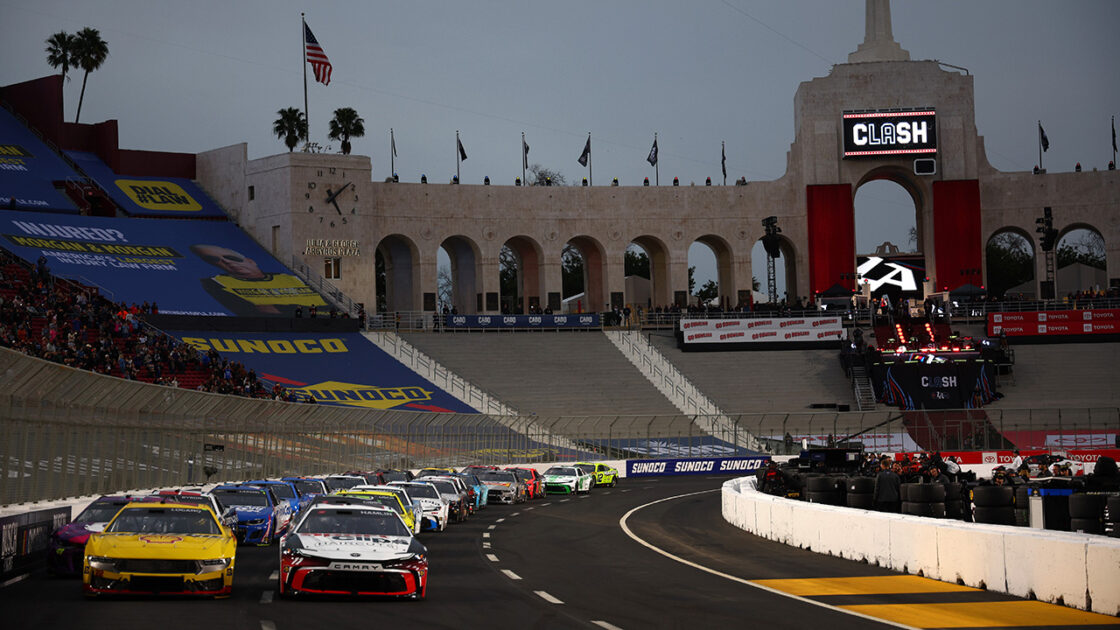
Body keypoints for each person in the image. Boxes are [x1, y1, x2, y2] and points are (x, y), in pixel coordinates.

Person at [190, 244, 327, 317]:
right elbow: (265, 312)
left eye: (231, 258)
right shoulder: (217, 282)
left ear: (250, 261)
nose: (226, 261)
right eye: (214, 260)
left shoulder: (289, 278)